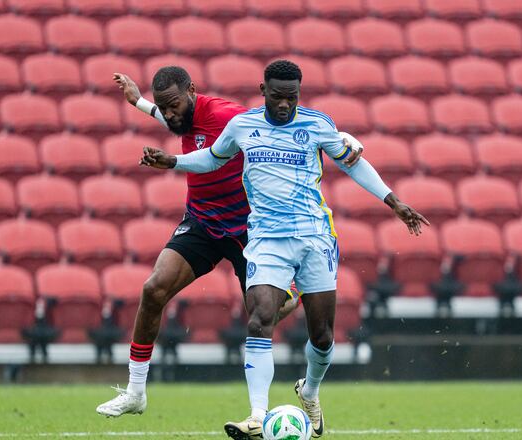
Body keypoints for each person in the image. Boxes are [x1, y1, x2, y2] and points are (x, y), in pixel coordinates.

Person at [139, 59, 429, 440]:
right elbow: (213, 157)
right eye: (277, 97)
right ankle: (258, 415)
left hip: (314, 237)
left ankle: (309, 390)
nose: (284, 105)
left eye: (291, 98)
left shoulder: (317, 125)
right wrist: (175, 161)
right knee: (260, 318)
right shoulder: (243, 126)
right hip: (266, 240)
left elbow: (354, 166)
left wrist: (394, 202)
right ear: (263, 92)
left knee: (322, 335)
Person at [96, 67, 364, 418]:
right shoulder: (180, 115)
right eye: (165, 107)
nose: (171, 113)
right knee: (153, 289)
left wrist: (342, 137)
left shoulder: (227, 116)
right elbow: (172, 119)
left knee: (268, 312)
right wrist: (141, 103)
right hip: (202, 222)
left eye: (174, 104)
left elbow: (277, 122)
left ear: (192, 91)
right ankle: (135, 392)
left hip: (247, 228)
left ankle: (293, 293)